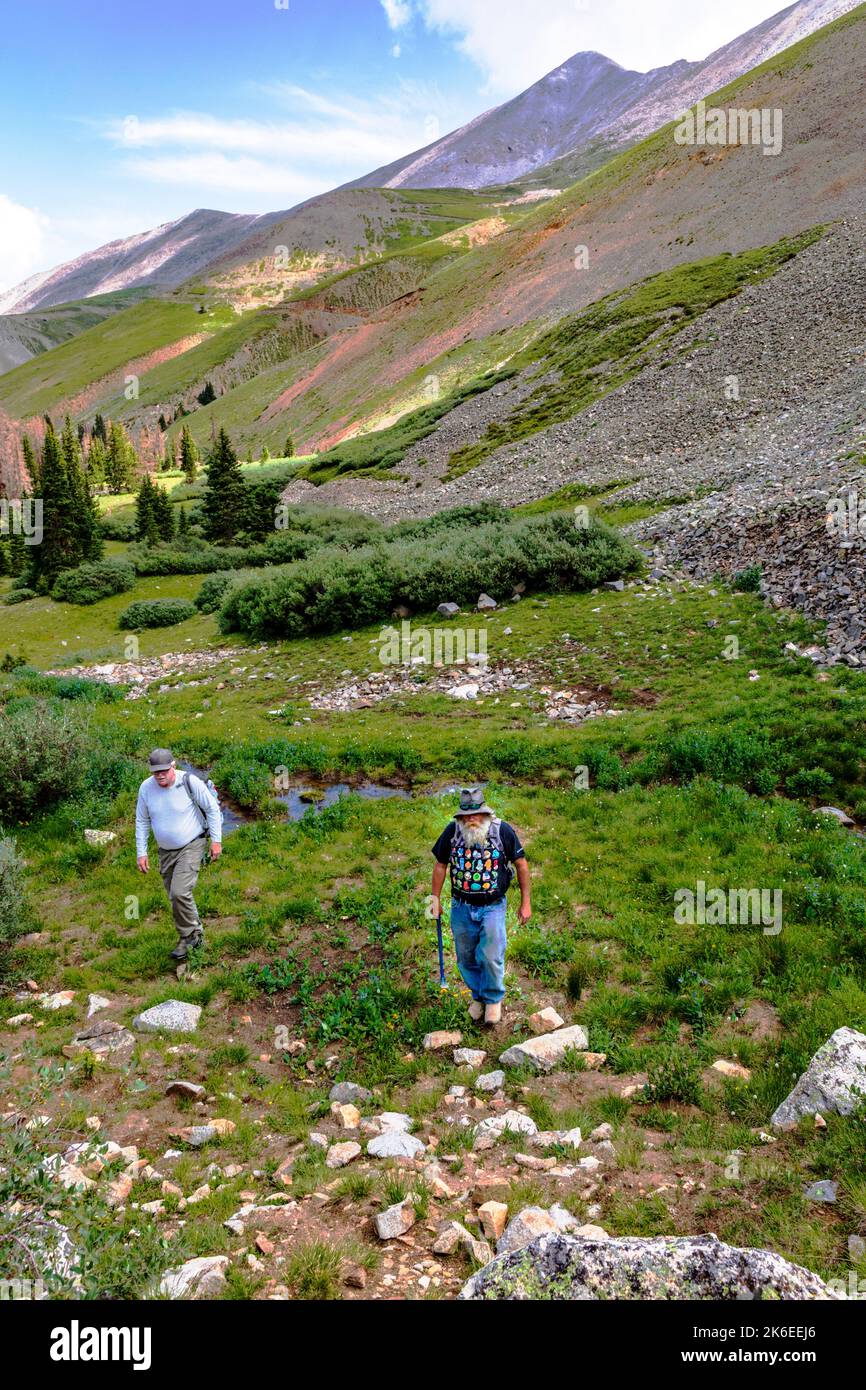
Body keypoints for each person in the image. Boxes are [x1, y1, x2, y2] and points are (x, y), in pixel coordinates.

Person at [431, 786, 530, 1025]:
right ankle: (478, 996)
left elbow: (521, 864)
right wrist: (434, 900)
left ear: (485, 813)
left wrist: (526, 902)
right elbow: (440, 865)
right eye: (465, 815)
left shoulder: (501, 831)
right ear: (460, 816)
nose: (470, 819)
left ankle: (493, 999)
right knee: (466, 957)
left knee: (491, 954)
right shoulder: (452, 832)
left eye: (475, 813)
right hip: (461, 906)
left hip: (493, 905)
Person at [135, 749, 222, 961]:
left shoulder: (189, 782)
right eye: (156, 772)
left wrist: (216, 841)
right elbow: (142, 821)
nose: (160, 775)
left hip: (192, 843)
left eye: (164, 770)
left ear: (172, 766)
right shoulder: (146, 788)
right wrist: (141, 852)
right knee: (174, 897)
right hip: (165, 851)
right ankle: (191, 935)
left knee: (180, 892)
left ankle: (191, 935)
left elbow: (211, 809)